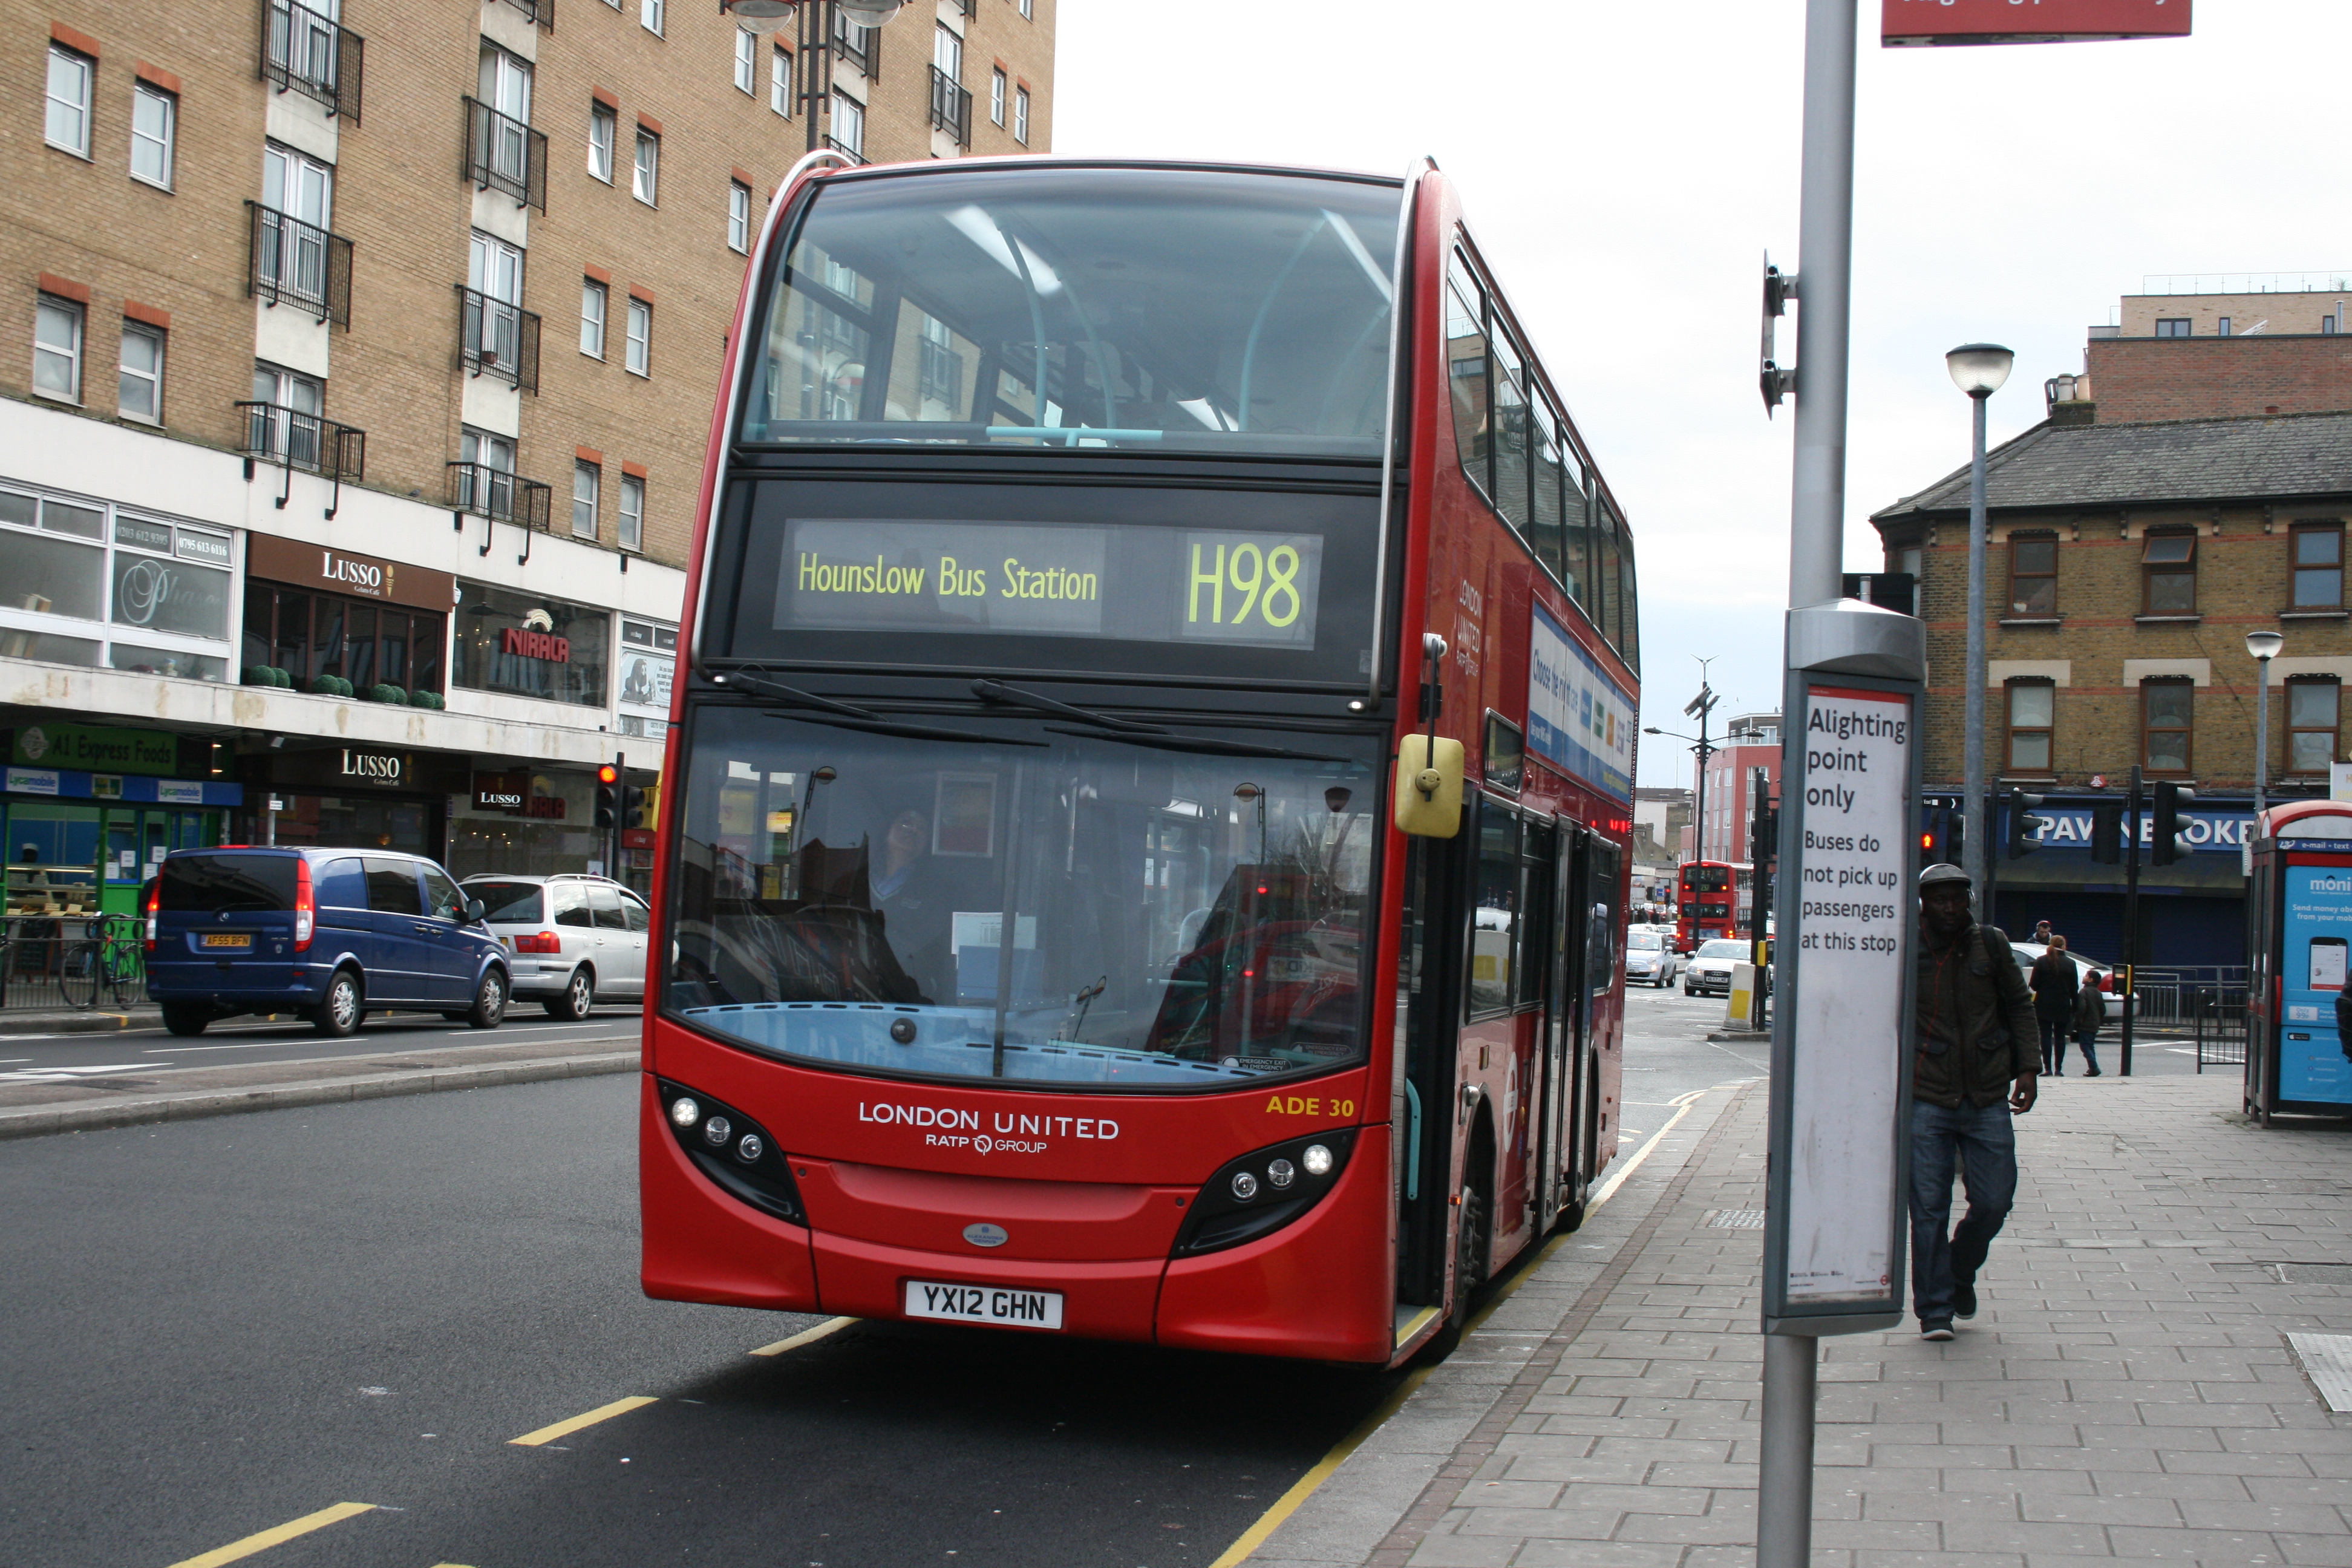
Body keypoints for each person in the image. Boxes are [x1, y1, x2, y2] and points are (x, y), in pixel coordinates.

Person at [1912, 862, 2039, 1341]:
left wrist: (2028, 1066)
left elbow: (2019, 1005)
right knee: (1927, 1209)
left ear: (1968, 900)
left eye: (1956, 898)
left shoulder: (1992, 943)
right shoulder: (1908, 947)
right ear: (1924, 903)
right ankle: (1935, 1311)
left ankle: (1959, 1270)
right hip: (1926, 1094)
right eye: (1939, 899)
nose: (1949, 908)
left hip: (1986, 1093)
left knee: (1994, 1200)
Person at [2030, 935, 2079, 1076]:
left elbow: (2034, 984)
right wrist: (2075, 1007)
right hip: (2062, 1004)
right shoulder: (2070, 963)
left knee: (2045, 1036)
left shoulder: (2042, 961)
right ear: (2064, 946)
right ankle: (2059, 1069)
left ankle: (2048, 1068)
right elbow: (2074, 988)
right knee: (2060, 1037)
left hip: (2044, 1003)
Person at [2073, 968, 2107, 1077]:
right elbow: (2103, 1009)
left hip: (2085, 1023)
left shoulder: (2084, 992)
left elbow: (2082, 1007)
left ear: (2091, 980)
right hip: (2095, 1023)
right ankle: (2092, 1068)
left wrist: (2077, 1021)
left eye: (2086, 976)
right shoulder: (2098, 992)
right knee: (2090, 1046)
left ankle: (2094, 1067)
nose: (2084, 978)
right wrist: (2099, 1019)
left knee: (2085, 1047)